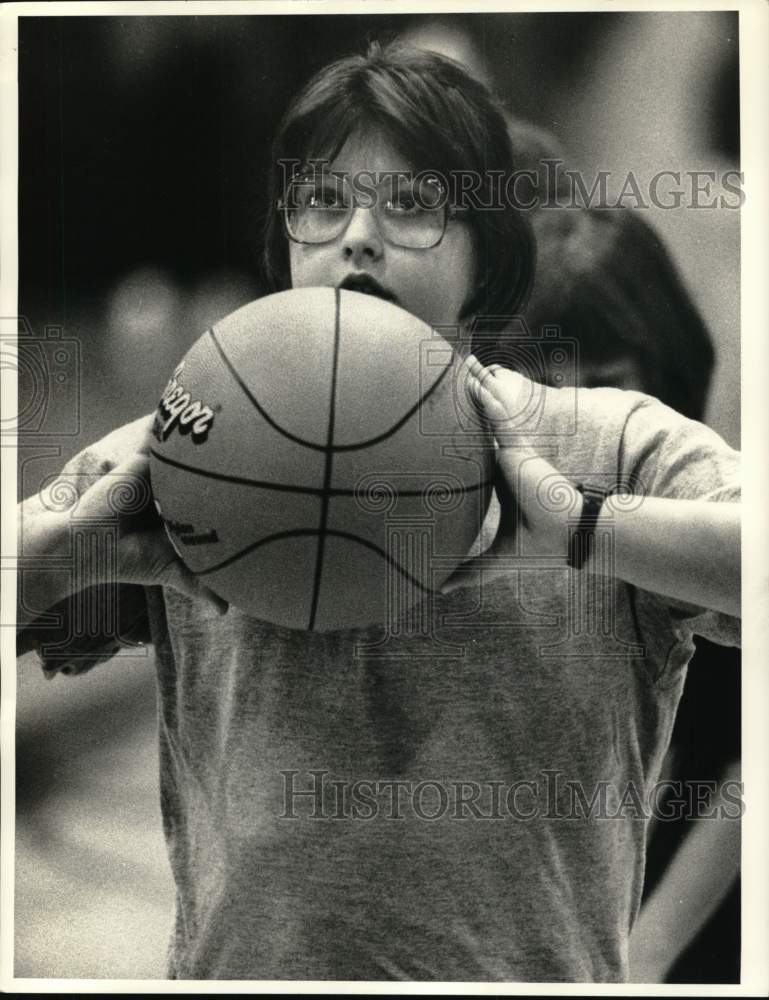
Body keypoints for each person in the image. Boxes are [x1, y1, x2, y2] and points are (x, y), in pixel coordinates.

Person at [17, 42, 740, 983]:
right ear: (283, 250)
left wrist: (586, 528)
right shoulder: (185, 443)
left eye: (412, 206)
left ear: (489, 258)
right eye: (322, 202)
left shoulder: (607, 446)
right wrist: (61, 554)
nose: (357, 235)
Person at [520, 203, 742, 983]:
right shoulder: (509, 521)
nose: (585, 419)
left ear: (664, 370)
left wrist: (642, 955)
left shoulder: (713, 514)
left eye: (609, 384)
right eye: (549, 391)